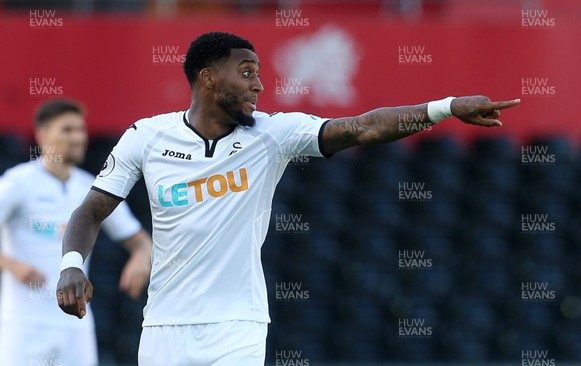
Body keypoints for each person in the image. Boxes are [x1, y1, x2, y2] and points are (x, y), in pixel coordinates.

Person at [56, 32, 520, 365]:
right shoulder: (147, 136)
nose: (259, 85)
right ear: (208, 78)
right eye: (247, 73)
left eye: (259, 74)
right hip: (163, 329)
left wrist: (446, 107)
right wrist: (72, 264)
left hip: (237, 327)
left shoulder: (273, 135)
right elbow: (91, 210)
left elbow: (365, 126)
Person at [0, 99, 152, 366]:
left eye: (80, 130)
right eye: (67, 130)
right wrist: (12, 265)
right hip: (25, 326)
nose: (77, 138)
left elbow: (140, 242)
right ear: (43, 135)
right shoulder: (18, 182)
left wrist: (140, 257)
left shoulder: (91, 189)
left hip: (76, 327)